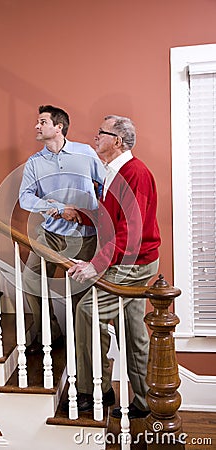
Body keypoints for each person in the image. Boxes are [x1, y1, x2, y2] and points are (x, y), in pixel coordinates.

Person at [65, 115, 161, 417]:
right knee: (133, 332)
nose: (95, 138)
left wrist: (96, 265)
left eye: (100, 133)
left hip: (133, 263)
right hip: (131, 259)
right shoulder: (115, 172)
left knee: (86, 311)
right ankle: (145, 403)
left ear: (117, 141)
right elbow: (111, 217)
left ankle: (94, 389)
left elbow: (130, 232)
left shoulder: (135, 173)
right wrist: (80, 214)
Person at [19, 105, 106, 355]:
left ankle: (83, 346)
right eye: (37, 122)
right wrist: (56, 207)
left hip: (84, 237)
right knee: (30, 281)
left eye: (42, 121)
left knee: (81, 294)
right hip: (50, 233)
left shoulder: (85, 153)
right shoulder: (34, 162)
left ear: (59, 127)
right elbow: (25, 197)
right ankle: (51, 332)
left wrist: (92, 214)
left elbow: (104, 185)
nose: (37, 126)